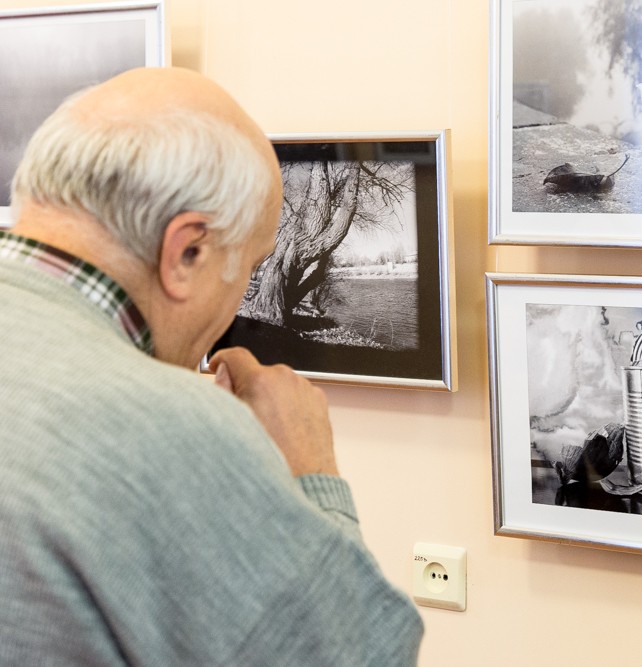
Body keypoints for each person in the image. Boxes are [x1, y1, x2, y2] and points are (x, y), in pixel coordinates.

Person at [0, 67, 423, 665]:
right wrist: (312, 475)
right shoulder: (165, 426)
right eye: (250, 266)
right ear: (187, 251)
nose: (244, 292)